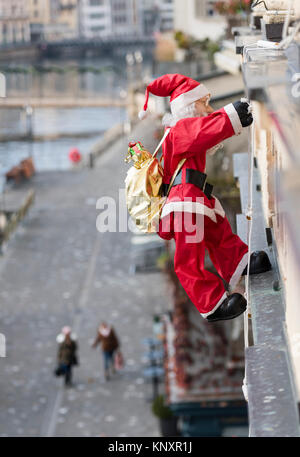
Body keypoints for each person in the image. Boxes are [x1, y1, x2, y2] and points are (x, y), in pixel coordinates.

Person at [138, 73, 272, 322]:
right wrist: (233, 114)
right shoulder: (180, 130)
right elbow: (205, 130)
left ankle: (239, 264)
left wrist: (229, 117)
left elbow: (204, 131)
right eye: (203, 104)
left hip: (193, 196)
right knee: (189, 256)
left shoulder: (178, 132)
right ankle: (211, 304)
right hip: (184, 199)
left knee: (217, 232)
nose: (208, 109)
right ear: (188, 106)